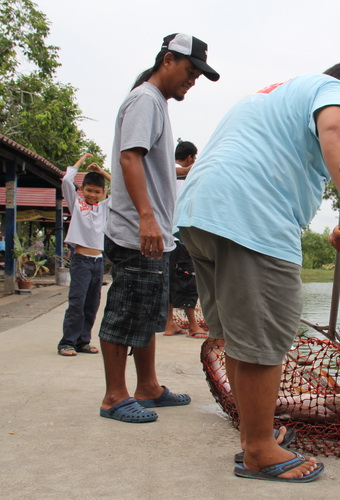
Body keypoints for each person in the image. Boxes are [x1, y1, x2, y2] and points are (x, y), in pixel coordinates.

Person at [174, 60, 340, 482]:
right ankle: (258, 450)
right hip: (250, 215)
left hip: (201, 213)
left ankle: (256, 434)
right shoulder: (335, 92)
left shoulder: (273, 95)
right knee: (263, 339)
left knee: (238, 336)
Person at [97, 33, 219, 423]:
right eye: (190, 70)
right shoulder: (145, 99)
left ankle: (147, 386)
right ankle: (114, 396)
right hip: (137, 230)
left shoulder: (156, 103)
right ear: (168, 59)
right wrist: (147, 217)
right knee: (125, 309)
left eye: (199, 74)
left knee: (147, 310)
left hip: (156, 234)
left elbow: (153, 165)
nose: (193, 79)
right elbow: (130, 157)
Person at [57, 153, 110, 357]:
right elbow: (66, 180)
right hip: (81, 260)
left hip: (98, 261)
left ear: (103, 193)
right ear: (81, 189)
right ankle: (67, 342)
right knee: (77, 301)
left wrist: (101, 172)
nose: (92, 195)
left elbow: (122, 189)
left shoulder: (104, 207)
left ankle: (83, 341)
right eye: (88, 190)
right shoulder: (76, 204)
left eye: (97, 192)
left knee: (92, 304)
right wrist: (81, 162)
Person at [161, 140, 207, 338]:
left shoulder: (164, 172)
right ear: (190, 157)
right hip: (179, 236)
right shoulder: (184, 175)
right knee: (188, 278)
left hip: (165, 236)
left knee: (170, 279)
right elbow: (187, 207)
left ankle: (169, 322)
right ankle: (193, 325)